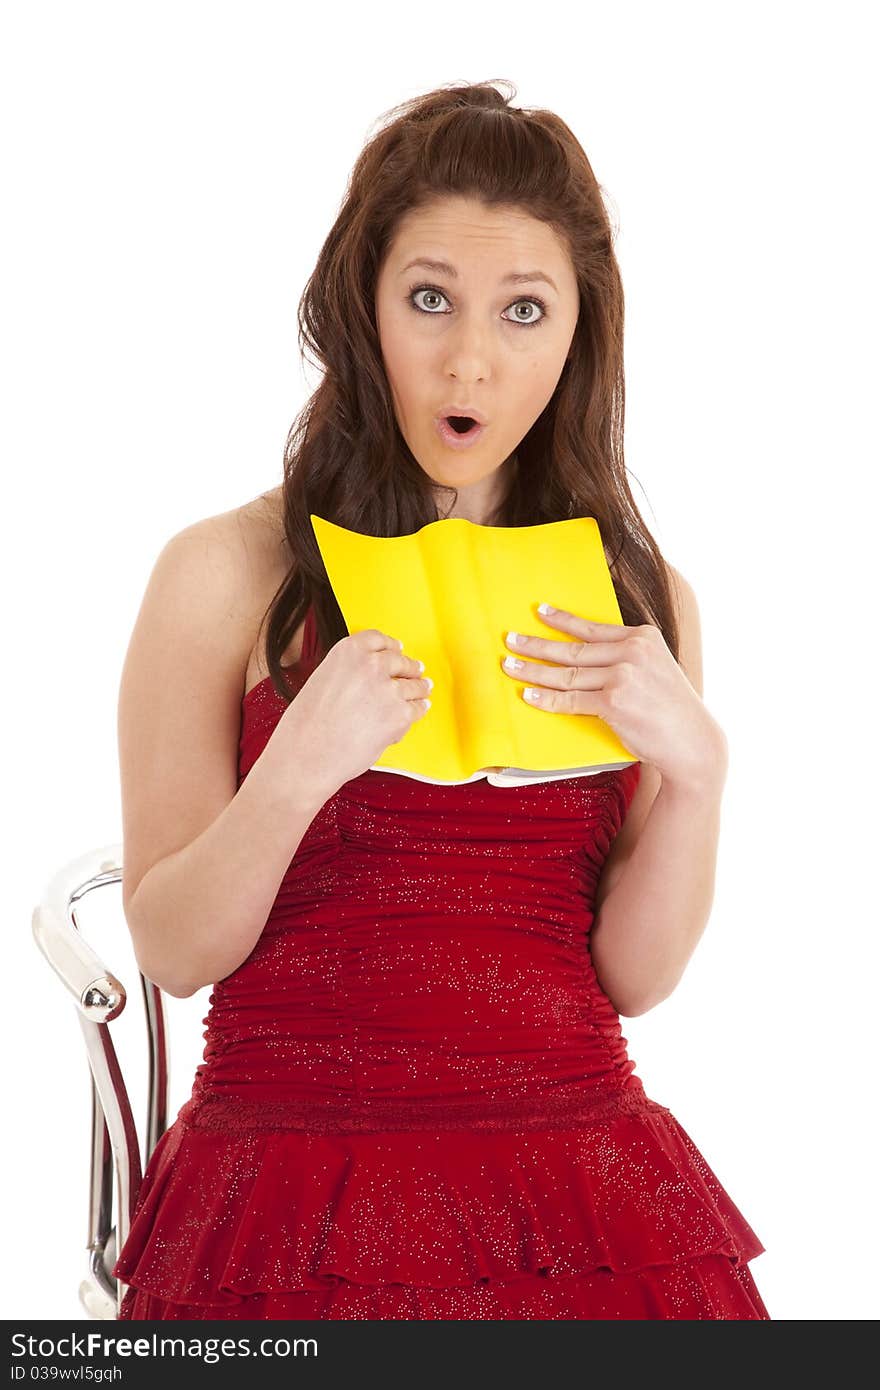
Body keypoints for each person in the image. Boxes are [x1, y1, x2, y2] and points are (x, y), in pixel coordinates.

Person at [111, 79, 770, 1320]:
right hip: (292, 1182)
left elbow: (633, 978)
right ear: (360, 306)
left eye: (524, 311)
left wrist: (696, 775)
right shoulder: (223, 573)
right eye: (429, 300)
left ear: (579, 332)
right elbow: (171, 949)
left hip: (578, 1185)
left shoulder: (642, 599)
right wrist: (298, 768)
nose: (472, 358)